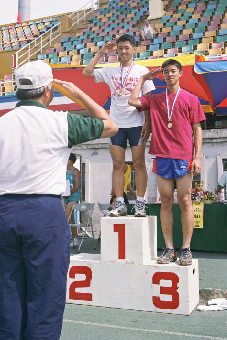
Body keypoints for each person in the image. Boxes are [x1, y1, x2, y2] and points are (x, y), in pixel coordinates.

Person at [0, 60, 118, 340]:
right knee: (46, 294)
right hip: (43, 211)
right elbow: (110, 125)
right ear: (47, 90)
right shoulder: (60, 121)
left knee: (9, 292)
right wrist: (77, 94)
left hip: (7, 211)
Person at [129, 59, 206, 266]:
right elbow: (132, 101)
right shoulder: (155, 99)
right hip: (161, 155)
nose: (169, 74)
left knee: (185, 200)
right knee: (164, 200)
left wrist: (197, 156)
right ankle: (169, 248)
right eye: (165, 72)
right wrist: (144, 78)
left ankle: (186, 248)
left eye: (173, 71)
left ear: (180, 73)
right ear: (161, 75)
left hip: (183, 156)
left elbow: (197, 129)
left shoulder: (191, 99)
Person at [83, 34, 155, 217]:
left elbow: (147, 100)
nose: (123, 51)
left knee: (138, 163)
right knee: (117, 164)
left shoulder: (142, 71)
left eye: (127, 48)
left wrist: (148, 122)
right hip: (116, 124)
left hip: (137, 123)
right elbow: (87, 72)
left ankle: (140, 202)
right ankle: (120, 203)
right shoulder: (110, 71)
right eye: (120, 48)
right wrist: (101, 52)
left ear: (134, 49)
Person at [63, 152, 81, 247]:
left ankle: (62, 237)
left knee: (66, 217)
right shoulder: (64, 172)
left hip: (74, 196)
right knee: (71, 219)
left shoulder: (76, 171)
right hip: (66, 197)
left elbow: (77, 186)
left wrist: (69, 193)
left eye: (67, 159)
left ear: (72, 161)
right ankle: (75, 237)